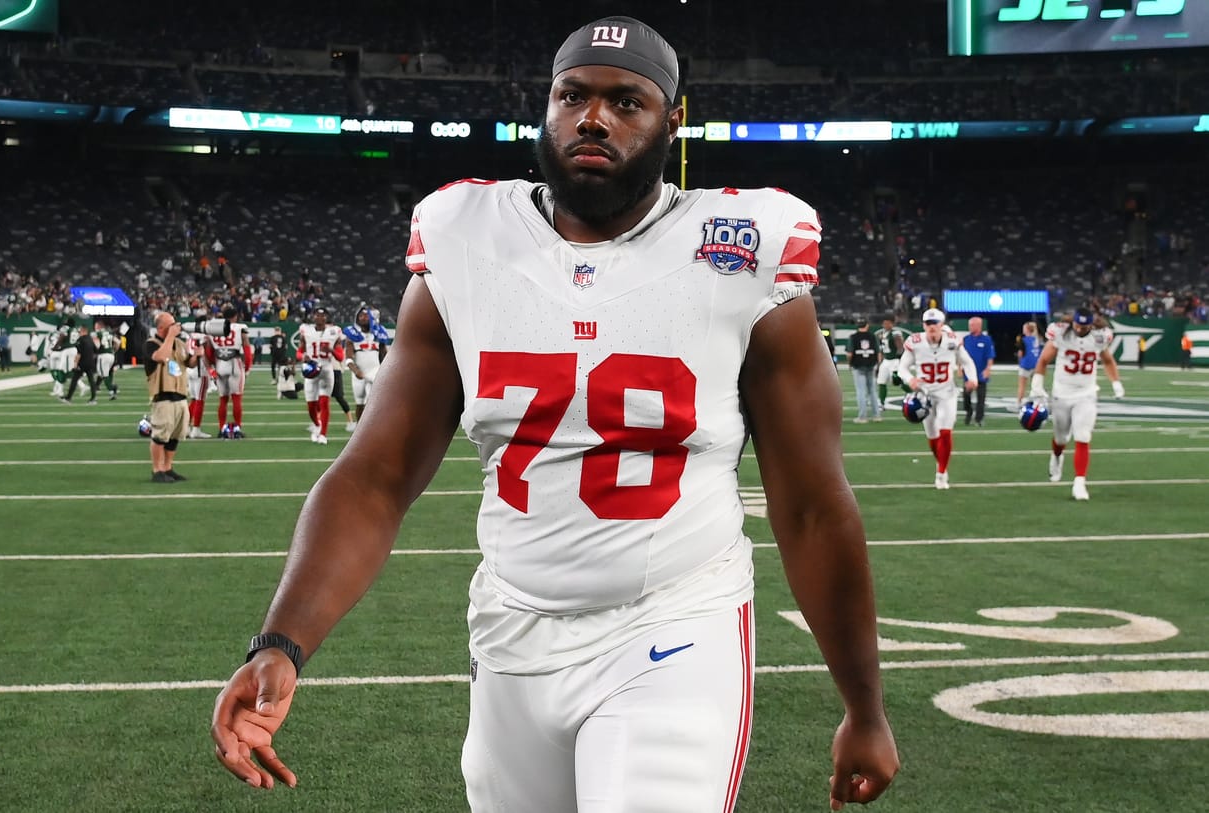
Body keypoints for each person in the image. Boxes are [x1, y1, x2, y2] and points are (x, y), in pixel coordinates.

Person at [211, 16, 897, 813]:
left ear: (673, 122)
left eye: (627, 101)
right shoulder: (465, 238)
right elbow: (375, 472)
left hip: (675, 623)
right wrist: (282, 643)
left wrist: (864, 706)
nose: (593, 118)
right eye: (572, 95)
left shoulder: (741, 248)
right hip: (511, 630)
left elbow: (814, 507)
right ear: (546, 105)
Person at [1029, 307, 1124, 501]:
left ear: (1091, 324)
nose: (1079, 329)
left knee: (1083, 436)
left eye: (1084, 326)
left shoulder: (1100, 337)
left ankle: (1079, 482)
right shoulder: (1061, 333)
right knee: (1061, 438)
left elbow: (1108, 361)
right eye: (1077, 325)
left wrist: (1116, 383)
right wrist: (1037, 386)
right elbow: (1044, 360)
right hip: (1062, 393)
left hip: (1086, 393)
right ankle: (1056, 456)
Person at [897, 308, 978, 489]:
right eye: (928, 324)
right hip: (924, 395)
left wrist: (973, 378)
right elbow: (902, 367)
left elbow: (967, 361)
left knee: (945, 431)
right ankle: (941, 463)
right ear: (924, 325)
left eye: (935, 324)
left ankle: (941, 474)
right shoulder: (916, 342)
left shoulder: (952, 341)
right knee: (932, 437)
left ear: (942, 325)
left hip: (947, 393)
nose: (932, 327)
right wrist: (910, 379)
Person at [143, 311, 198, 482]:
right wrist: (171, 337)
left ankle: (167, 467)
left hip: (180, 395)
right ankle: (157, 470)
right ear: (160, 328)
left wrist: (198, 354)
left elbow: (189, 363)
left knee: (175, 436)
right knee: (160, 436)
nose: (175, 327)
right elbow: (161, 356)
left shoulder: (179, 344)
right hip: (163, 396)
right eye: (170, 325)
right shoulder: (151, 344)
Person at [295, 306, 344, 444]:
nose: (320, 318)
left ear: (326, 318)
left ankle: (323, 434)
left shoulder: (334, 332)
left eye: (322, 315)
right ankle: (317, 425)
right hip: (311, 369)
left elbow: (340, 357)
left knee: (324, 402)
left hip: (327, 369)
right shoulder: (306, 331)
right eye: (317, 315)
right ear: (313, 317)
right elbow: (299, 352)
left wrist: (331, 350)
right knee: (311, 405)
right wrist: (303, 356)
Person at [342, 304, 390, 428]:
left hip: (375, 371)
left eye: (366, 315)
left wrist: (387, 371)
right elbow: (348, 357)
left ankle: (373, 427)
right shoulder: (352, 335)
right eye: (360, 315)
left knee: (372, 400)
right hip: (359, 372)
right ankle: (360, 428)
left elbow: (384, 355)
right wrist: (355, 370)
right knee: (359, 402)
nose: (363, 318)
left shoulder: (379, 333)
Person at [208, 304, 251, 438]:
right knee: (237, 398)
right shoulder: (240, 328)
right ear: (235, 316)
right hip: (234, 363)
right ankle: (237, 427)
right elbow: (247, 348)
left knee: (223, 399)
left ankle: (222, 428)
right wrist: (248, 365)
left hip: (220, 363)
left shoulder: (214, 328)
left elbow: (209, 350)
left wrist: (212, 365)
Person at [961, 316, 994, 426]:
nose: (969, 327)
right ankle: (969, 412)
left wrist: (988, 369)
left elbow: (990, 356)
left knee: (981, 398)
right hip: (968, 375)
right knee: (966, 397)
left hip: (981, 373)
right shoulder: (965, 339)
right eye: (969, 325)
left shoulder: (987, 340)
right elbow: (960, 355)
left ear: (978, 326)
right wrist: (960, 368)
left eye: (972, 325)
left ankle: (979, 419)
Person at [846, 317, 880, 423]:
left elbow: (849, 353)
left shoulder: (853, 337)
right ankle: (876, 415)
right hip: (871, 365)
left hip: (858, 365)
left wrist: (849, 363)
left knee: (861, 391)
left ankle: (862, 416)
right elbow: (878, 353)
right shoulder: (873, 336)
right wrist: (878, 364)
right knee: (872, 391)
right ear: (867, 325)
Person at [61, 325, 101, 405]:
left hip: (82, 363)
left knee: (74, 380)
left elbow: (79, 353)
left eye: (80, 331)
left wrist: (75, 363)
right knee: (91, 381)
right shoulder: (90, 339)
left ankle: (68, 398)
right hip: (90, 363)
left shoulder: (80, 340)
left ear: (83, 331)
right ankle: (93, 398)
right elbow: (96, 351)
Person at [874, 313, 905, 407]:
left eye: (887, 323)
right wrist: (879, 364)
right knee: (881, 381)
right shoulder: (882, 333)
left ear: (892, 323)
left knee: (898, 382)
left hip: (894, 361)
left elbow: (900, 348)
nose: (885, 325)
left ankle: (912, 394)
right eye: (884, 323)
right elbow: (882, 350)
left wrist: (899, 360)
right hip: (886, 361)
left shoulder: (896, 333)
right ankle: (881, 403)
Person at [1014, 320, 1041, 409]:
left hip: (1025, 365)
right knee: (1035, 386)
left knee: (1022, 386)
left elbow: (1021, 353)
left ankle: (1019, 402)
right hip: (1036, 365)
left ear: (1027, 330)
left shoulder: (1023, 340)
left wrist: (1019, 360)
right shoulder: (1037, 340)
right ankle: (1037, 403)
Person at [93, 320, 121, 400]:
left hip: (103, 355)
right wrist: (114, 350)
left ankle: (112, 390)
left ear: (99, 326)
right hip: (111, 355)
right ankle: (96, 387)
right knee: (102, 373)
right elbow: (118, 342)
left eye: (96, 326)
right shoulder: (109, 333)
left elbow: (97, 345)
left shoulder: (98, 333)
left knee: (104, 374)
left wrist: (96, 350)